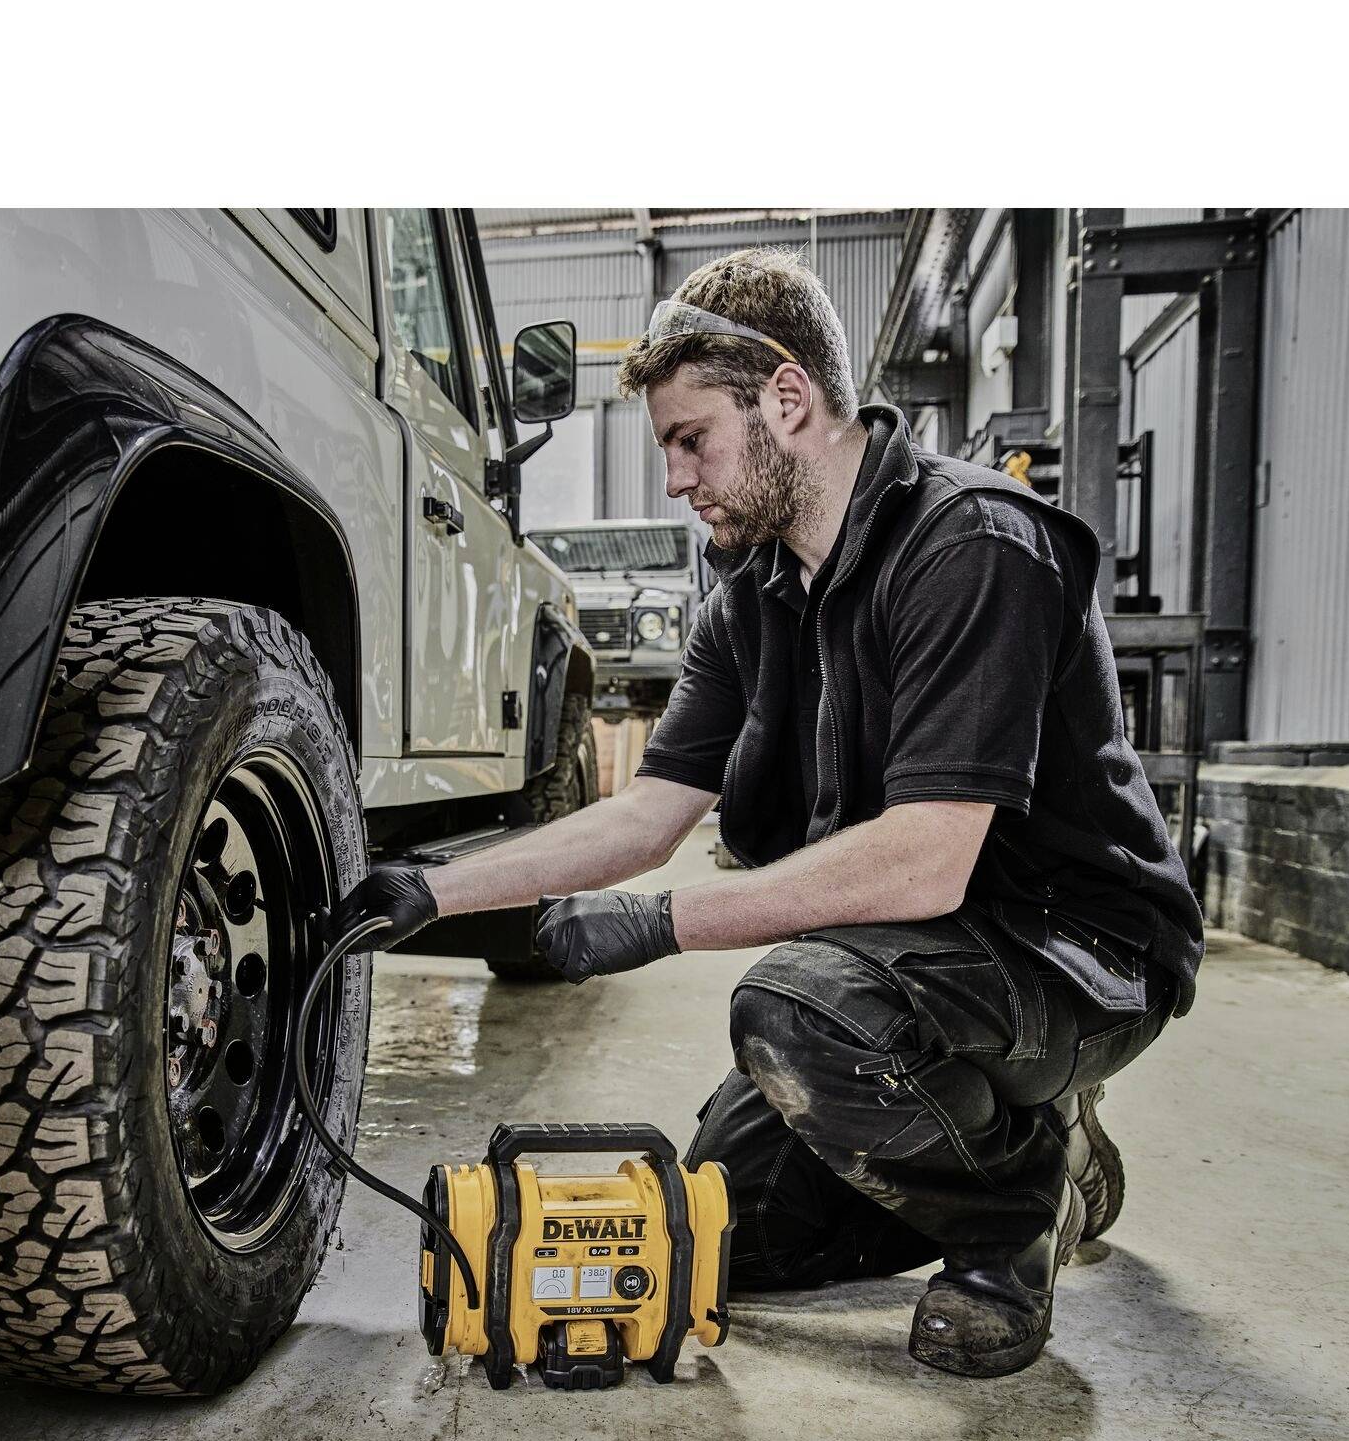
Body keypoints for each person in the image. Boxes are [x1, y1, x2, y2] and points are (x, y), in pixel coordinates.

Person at [331, 246, 1203, 1378]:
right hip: (913, 962)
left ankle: (1009, 1218)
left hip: (1071, 950)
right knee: (726, 1227)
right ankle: (1037, 1136)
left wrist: (658, 923)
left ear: (785, 400)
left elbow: (929, 861)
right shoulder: (751, 593)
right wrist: (428, 890)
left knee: (794, 1011)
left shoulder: (970, 545)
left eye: (688, 439)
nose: (674, 479)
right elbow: (646, 812)